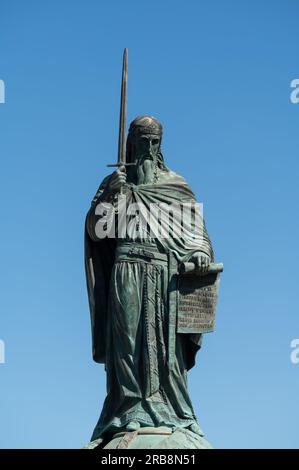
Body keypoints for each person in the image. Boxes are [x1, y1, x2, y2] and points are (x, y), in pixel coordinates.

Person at [85, 115, 214, 444]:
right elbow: (96, 233)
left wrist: (199, 254)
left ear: (161, 144)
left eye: (155, 141)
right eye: (143, 140)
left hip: (163, 273)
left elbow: (197, 236)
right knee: (127, 341)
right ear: (131, 142)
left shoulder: (175, 184)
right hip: (126, 267)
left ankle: (171, 409)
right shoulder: (116, 184)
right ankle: (128, 408)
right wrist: (109, 198)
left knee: (164, 348)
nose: (149, 147)